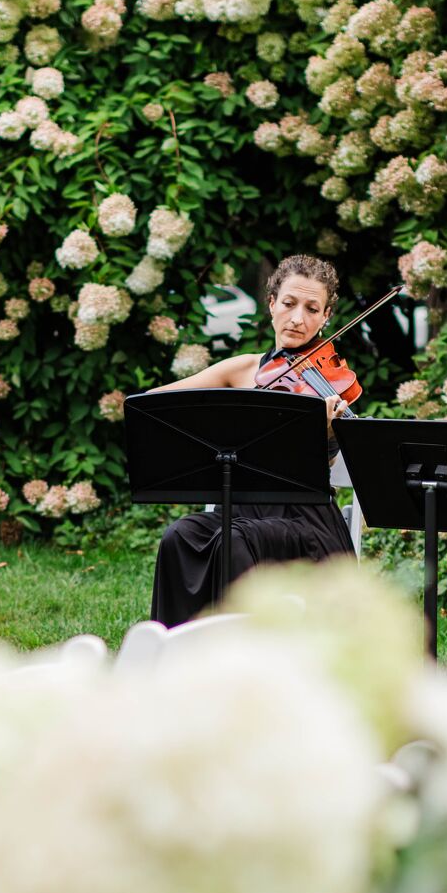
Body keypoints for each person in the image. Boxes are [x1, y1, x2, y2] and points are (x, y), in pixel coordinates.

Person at [145, 253, 356, 625]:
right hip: (239, 511)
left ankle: (244, 662)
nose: (297, 319)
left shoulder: (332, 384)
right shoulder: (243, 369)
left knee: (233, 541)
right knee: (178, 536)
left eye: (312, 309)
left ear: (326, 318)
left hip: (306, 522)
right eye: (289, 304)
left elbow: (330, 466)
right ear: (272, 304)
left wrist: (324, 436)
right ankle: (178, 656)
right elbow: (155, 405)